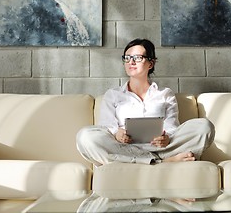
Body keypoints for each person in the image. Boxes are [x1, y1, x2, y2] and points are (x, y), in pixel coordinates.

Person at [76, 38, 215, 166]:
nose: (131, 62)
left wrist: (166, 137)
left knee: (204, 127)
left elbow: (172, 127)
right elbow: (106, 127)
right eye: (127, 58)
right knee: (86, 136)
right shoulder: (112, 95)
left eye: (137, 58)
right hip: (124, 149)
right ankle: (161, 163)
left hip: (163, 148)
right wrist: (117, 134)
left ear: (151, 63)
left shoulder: (165, 94)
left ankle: (145, 161)